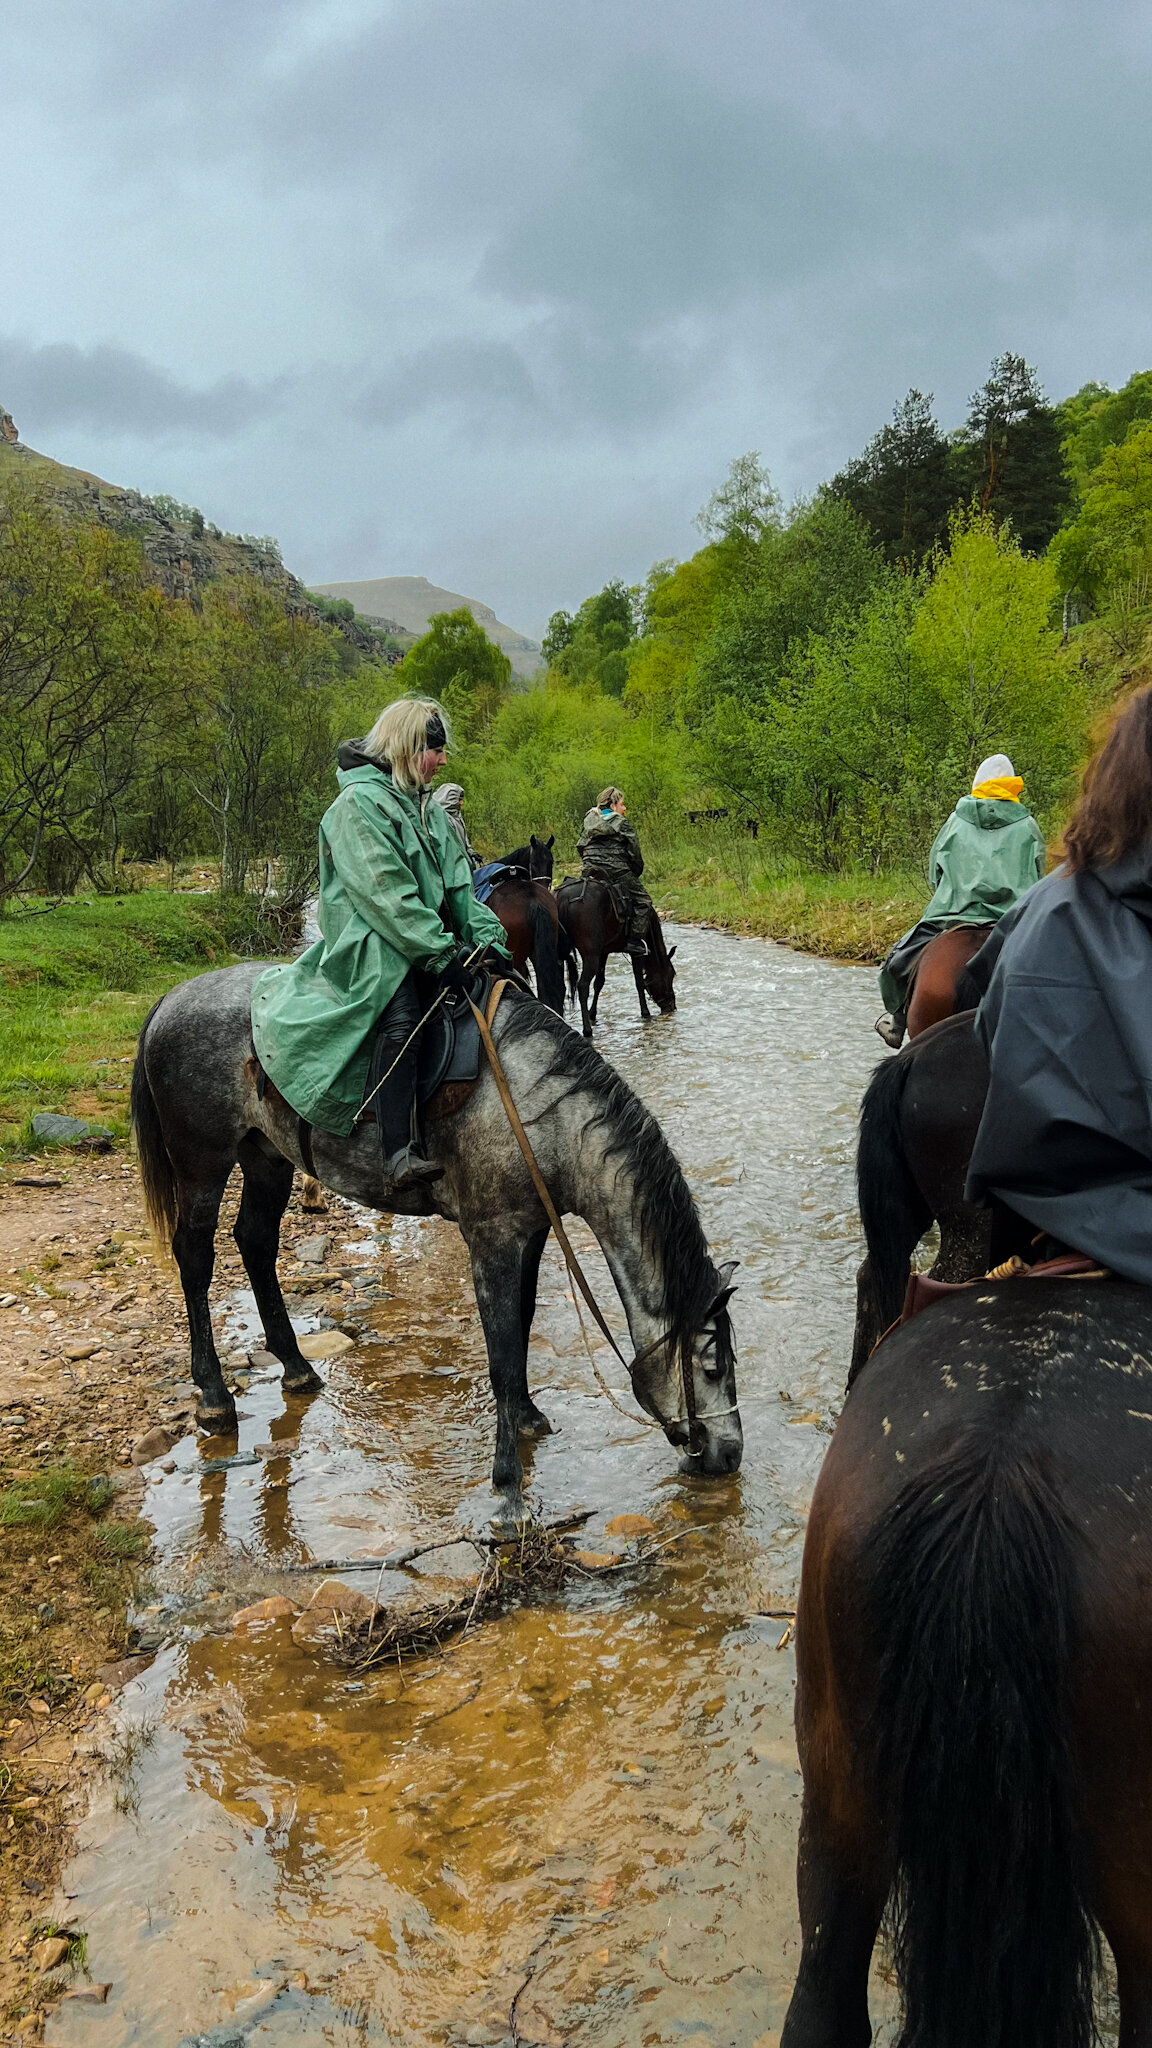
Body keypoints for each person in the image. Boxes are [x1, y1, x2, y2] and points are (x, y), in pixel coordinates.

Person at [251, 698, 510, 1198]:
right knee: (404, 1011)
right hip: (371, 937)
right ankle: (396, 1153)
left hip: (419, 934)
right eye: (435, 749)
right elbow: (386, 895)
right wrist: (440, 954)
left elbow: (459, 886)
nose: (442, 759)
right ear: (408, 748)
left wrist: (486, 937)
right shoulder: (355, 807)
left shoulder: (427, 807)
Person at [965, 689, 1152, 1283]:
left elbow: (984, 1023)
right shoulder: (1022, 822)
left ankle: (897, 1013)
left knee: (908, 960)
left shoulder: (1037, 901)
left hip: (1044, 1211)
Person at [875, 753, 1046, 1047]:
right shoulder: (1028, 825)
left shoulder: (956, 821)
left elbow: (935, 874)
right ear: (1012, 787)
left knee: (895, 964)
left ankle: (897, 1020)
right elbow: (1037, 875)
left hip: (952, 916)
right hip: (1013, 921)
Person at [577, 786, 655, 956]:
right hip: (615, 870)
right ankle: (634, 942)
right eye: (622, 804)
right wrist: (635, 870)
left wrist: (587, 865)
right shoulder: (621, 822)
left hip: (589, 869)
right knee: (644, 901)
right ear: (612, 806)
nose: (624, 808)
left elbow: (580, 846)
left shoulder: (589, 819)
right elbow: (634, 850)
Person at [431, 782, 480, 871]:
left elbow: (463, 841)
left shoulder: (457, 816)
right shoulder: (442, 819)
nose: (462, 803)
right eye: (459, 800)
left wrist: (470, 852)